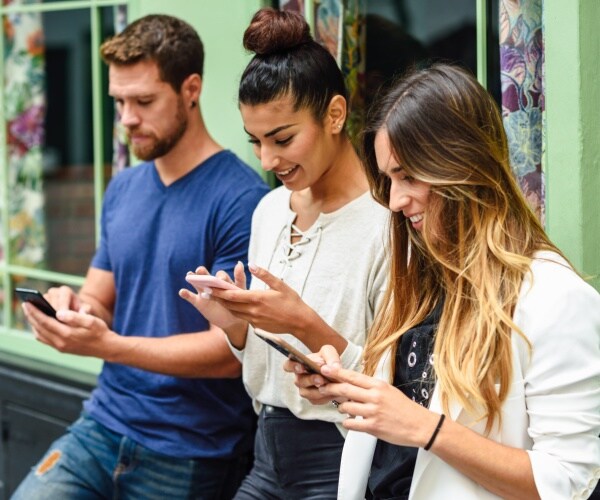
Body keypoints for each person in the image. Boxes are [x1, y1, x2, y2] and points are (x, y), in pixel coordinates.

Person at [287, 64, 600, 499]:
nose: (394, 201)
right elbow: (412, 417)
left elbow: (568, 481)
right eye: (389, 179)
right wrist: (346, 388)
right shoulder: (424, 281)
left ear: (462, 166)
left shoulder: (555, 298)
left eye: (408, 175)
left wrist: (425, 428)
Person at [14, 14, 269, 500]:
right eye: (119, 102)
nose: (127, 117)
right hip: (102, 424)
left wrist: (107, 345)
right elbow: (99, 296)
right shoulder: (125, 186)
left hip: (190, 445)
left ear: (191, 89)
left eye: (144, 101)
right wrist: (73, 311)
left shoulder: (242, 200)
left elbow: (229, 353)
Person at [179, 8, 389, 499]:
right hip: (266, 449)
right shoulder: (269, 210)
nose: (268, 161)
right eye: (255, 142)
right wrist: (233, 323)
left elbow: (395, 382)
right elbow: (262, 362)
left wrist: (301, 322)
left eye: (283, 139)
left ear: (335, 114)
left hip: (342, 460)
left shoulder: (387, 222)